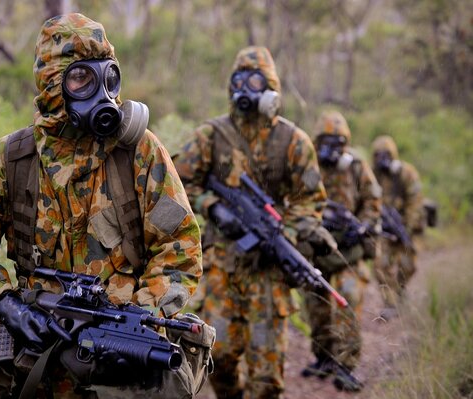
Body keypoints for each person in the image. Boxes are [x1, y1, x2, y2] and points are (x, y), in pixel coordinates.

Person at [0, 13, 203, 398]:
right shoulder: (11, 159)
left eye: (108, 78)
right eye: (82, 79)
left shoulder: (139, 152)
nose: (102, 94)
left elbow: (179, 246)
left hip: (120, 365)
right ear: (51, 83)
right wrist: (6, 303)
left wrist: (142, 320)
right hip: (37, 360)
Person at [175, 46, 333, 399]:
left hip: (268, 272)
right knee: (218, 356)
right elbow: (178, 180)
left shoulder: (293, 140)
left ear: (272, 88)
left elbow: (311, 198)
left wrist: (285, 234)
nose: (246, 88)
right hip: (222, 268)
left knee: (267, 375)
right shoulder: (211, 135)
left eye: (256, 80)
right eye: (239, 80)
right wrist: (212, 206)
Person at [301, 110, 382, 391]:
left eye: (337, 142)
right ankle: (323, 358)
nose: (330, 148)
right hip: (317, 252)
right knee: (315, 306)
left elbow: (373, 201)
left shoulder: (357, 166)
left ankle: (346, 366)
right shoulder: (306, 164)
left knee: (347, 299)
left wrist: (362, 227)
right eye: (325, 140)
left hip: (350, 255)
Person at [371, 135, 424, 318]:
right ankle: (390, 303)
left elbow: (415, 202)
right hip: (383, 229)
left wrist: (406, 227)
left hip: (404, 226)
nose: (383, 159)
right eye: (379, 155)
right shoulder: (372, 174)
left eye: (387, 154)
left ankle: (400, 291)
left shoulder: (406, 173)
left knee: (409, 265)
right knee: (380, 265)